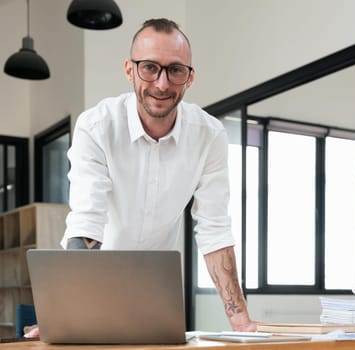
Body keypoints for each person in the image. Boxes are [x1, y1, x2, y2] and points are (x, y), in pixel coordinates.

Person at [60, 18, 256, 332]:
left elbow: (214, 229)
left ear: (190, 77)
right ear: (129, 69)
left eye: (175, 70)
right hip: (95, 284)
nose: (162, 84)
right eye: (150, 67)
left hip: (156, 292)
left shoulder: (209, 135)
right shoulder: (97, 126)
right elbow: (87, 222)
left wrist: (241, 320)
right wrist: (67, 311)